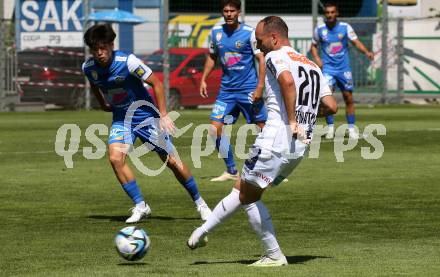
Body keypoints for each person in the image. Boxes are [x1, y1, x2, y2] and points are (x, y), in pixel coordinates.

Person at [187, 16, 337, 267]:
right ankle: (203, 231)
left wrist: (291, 119)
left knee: (249, 196)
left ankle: (273, 254)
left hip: (276, 139)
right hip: (299, 147)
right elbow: (331, 106)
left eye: (260, 41)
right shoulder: (311, 64)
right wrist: (305, 116)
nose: (258, 47)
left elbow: (287, 81)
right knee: (244, 187)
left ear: (275, 38)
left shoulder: (276, 56)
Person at [82, 24, 211, 223]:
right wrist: (102, 105)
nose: (99, 53)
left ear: (111, 45)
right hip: (121, 119)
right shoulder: (89, 68)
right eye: (95, 49)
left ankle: (201, 204)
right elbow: (94, 83)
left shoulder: (128, 61)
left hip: (146, 118)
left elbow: (156, 84)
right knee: (116, 158)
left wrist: (163, 115)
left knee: (172, 162)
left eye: (103, 47)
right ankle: (141, 206)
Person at [200, 0, 267, 182]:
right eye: (225, 11)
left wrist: (260, 87)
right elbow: (212, 57)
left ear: (238, 12)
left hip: (248, 90)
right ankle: (231, 170)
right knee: (214, 130)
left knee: (263, 129)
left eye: (232, 11)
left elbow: (261, 59)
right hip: (226, 92)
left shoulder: (249, 33)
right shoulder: (216, 33)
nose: (229, 14)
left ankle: (267, 170)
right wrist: (204, 78)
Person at [310, 2, 374, 139]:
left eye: (332, 12)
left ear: (337, 13)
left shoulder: (345, 27)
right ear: (325, 14)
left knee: (348, 98)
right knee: (327, 99)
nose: (330, 15)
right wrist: (317, 58)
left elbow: (356, 42)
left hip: (344, 69)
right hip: (328, 69)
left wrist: (366, 52)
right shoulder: (320, 29)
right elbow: (313, 46)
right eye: (327, 13)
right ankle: (330, 128)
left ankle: (351, 129)